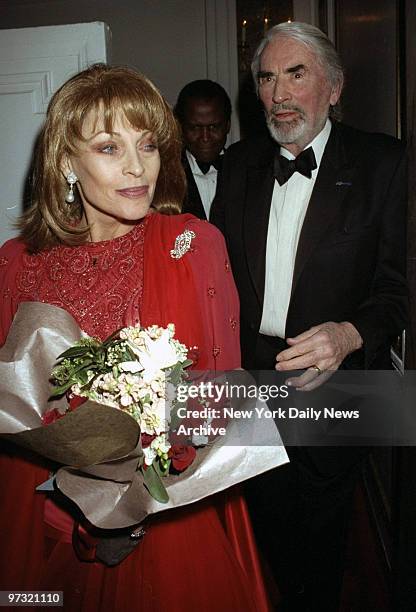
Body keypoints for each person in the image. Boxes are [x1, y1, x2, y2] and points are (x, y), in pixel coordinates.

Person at [0, 63, 271, 612]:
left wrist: (134, 502)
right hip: (45, 517)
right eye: (108, 148)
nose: (136, 168)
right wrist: (79, 500)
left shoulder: (194, 244)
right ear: (66, 163)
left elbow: (223, 397)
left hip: (170, 514)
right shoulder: (16, 265)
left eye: (147, 145)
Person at [210, 21, 408, 612]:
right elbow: (217, 282)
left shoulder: (385, 163)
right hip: (249, 380)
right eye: (267, 78)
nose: (279, 94)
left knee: (322, 542)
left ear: (336, 86)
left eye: (297, 74)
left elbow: (398, 287)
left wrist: (349, 333)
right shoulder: (237, 164)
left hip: (337, 379)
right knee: (264, 528)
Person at [174, 79, 231, 219]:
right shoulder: (166, 176)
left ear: (227, 126)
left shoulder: (246, 172)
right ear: (180, 127)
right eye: (195, 128)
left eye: (214, 127)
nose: (205, 137)